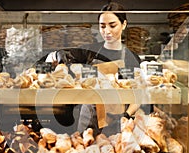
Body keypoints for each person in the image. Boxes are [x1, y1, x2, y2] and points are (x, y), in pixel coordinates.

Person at [44, 1, 143, 136]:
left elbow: (139, 94)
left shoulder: (131, 58)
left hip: (118, 119)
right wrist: (53, 57)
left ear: (124, 24)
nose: (106, 31)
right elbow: (62, 56)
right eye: (102, 26)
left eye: (112, 25)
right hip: (88, 117)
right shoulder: (90, 51)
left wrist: (126, 115)